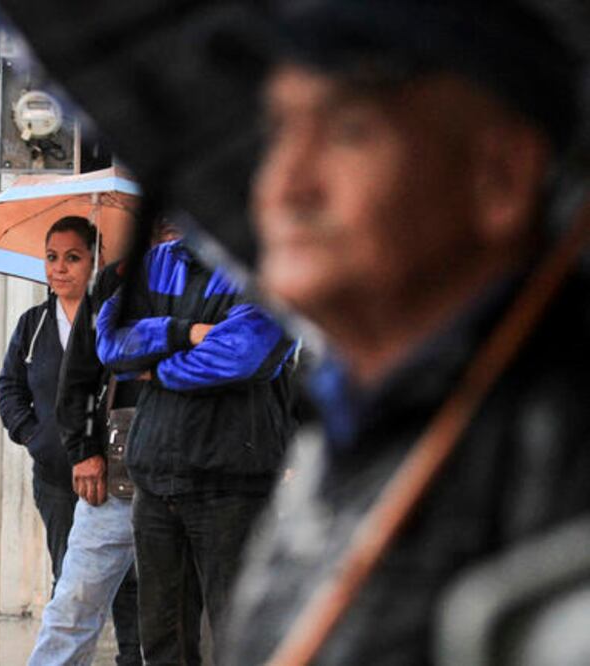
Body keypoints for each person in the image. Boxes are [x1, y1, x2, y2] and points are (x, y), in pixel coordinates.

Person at [225, 1, 590, 663]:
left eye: (348, 129)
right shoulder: (344, 426)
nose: (284, 186)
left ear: (499, 178)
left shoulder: (556, 450)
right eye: (278, 129)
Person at [95, 237, 297, 664]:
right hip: (155, 483)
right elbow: (111, 340)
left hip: (232, 486)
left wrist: (158, 368)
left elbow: (244, 355)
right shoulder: (155, 263)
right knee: (163, 641)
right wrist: (181, 331)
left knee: (239, 636)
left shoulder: (269, 263)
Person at [27, 222, 190, 666]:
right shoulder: (116, 281)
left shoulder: (227, 280)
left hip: (197, 471)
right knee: (75, 601)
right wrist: (83, 451)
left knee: (178, 615)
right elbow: (77, 375)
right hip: (116, 470)